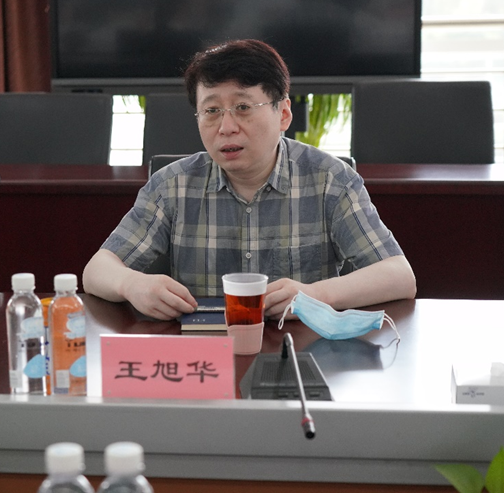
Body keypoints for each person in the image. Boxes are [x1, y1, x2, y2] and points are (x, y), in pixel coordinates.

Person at [83, 39, 415, 320]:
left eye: (242, 107)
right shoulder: (172, 185)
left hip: (301, 350)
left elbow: (399, 276)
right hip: (205, 354)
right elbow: (97, 270)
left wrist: (315, 294)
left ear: (283, 113)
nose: (226, 127)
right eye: (212, 111)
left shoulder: (330, 180)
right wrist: (132, 284)